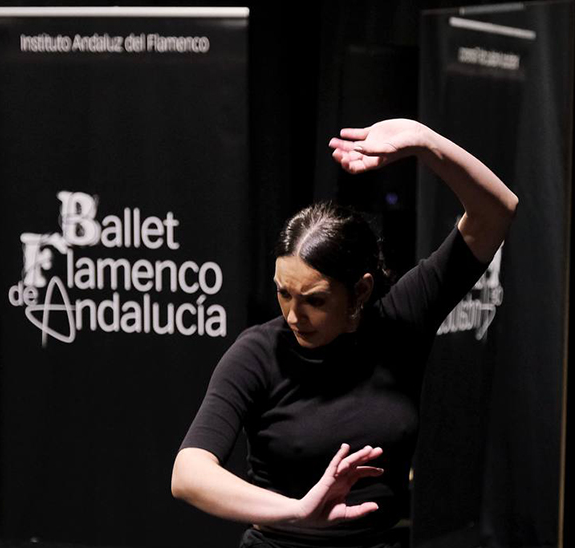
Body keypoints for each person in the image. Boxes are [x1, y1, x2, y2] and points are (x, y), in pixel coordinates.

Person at [171, 118, 518, 548]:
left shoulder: (401, 320)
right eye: (283, 293)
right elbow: (188, 473)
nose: (294, 315)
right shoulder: (258, 354)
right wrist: (298, 512)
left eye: (314, 300)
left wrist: (425, 143)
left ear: (361, 291)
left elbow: (496, 211)